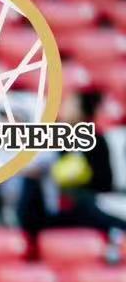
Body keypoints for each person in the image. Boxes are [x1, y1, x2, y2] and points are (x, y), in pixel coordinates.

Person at [17, 89, 126, 238]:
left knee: (87, 207)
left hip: (83, 205)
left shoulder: (95, 140)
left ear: (82, 109)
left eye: (70, 104)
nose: (64, 108)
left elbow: (103, 182)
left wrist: (78, 174)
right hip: (52, 209)